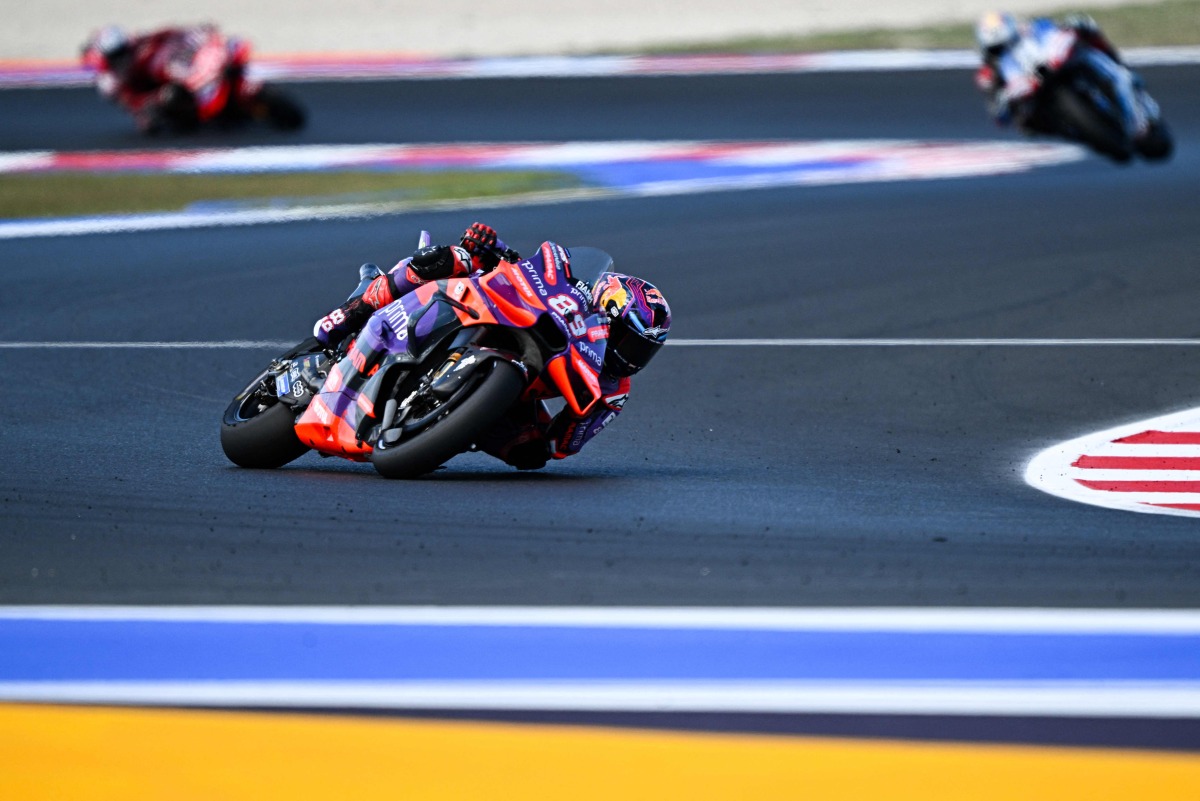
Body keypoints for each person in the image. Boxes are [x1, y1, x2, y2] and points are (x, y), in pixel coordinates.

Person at [311, 223, 672, 471]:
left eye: (643, 351)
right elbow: (525, 270)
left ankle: (436, 426)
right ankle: (353, 310)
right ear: (604, 314)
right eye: (627, 340)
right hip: (475, 307)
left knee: (529, 454)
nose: (630, 357)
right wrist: (492, 247)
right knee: (457, 258)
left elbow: (564, 444)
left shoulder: (612, 389)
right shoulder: (573, 292)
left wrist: (554, 440)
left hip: (515, 388)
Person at [80, 23, 255, 133]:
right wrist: (153, 101)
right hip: (156, 96)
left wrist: (195, 34)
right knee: (169, 98)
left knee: (223, 52)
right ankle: (193, 117)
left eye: (123, 50)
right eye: (117, 55)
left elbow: (170, 34)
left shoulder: (142, 43)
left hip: (180, 71)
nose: (123, 57)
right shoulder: (112, 81)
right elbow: (132, 102)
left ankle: (230, 91)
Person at [973, 11, 1125, 132]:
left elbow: (1055, 32)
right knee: (1027, 124)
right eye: (998, 49)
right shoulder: (988, 74)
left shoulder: (1032, 29)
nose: (1007, 51)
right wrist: (1007, 98)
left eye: (1008, 43)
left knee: (1083, 27)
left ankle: (1114, 63)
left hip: (1054, 65)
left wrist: (1065, 36)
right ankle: (1076, 131)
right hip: (1035, 98)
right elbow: (999, 115)